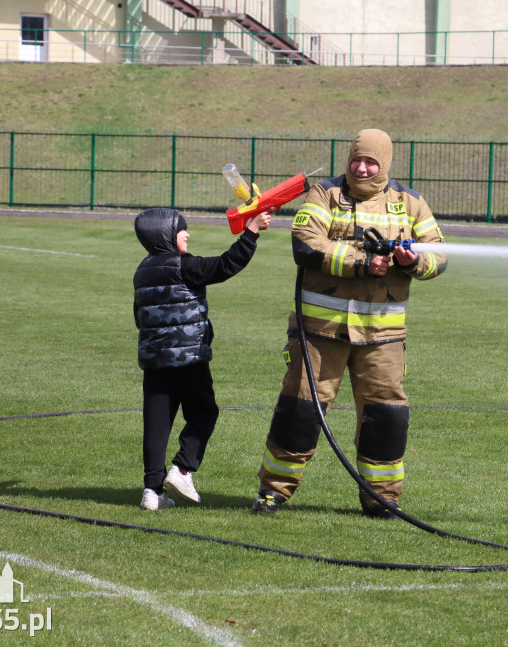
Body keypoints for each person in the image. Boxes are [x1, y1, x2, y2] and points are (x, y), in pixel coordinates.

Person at [252, 128, 447, 517]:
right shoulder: (325, 194)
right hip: (319, 333)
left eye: (371, 162)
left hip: (383, 336)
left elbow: (439, 253)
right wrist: (362, 263)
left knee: (385, 416)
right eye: (356, 160)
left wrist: (414, 262)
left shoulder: (410, 203)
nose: (361, 168)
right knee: (300, 411)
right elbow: (305, 242)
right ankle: (273, 492)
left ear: (385, 164)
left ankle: (383, 499)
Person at [133, 207, 272, 511]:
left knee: (156, 426)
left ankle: (151, 491)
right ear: (166, 236)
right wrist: (251, 231)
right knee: (204, 413)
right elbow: (225, 265)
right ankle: (182, 469)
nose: (187, 234)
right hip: (190, 358)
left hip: (155, 362)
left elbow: (138, 316)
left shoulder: (142, 270)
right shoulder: (184, 265)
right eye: (182, 229)